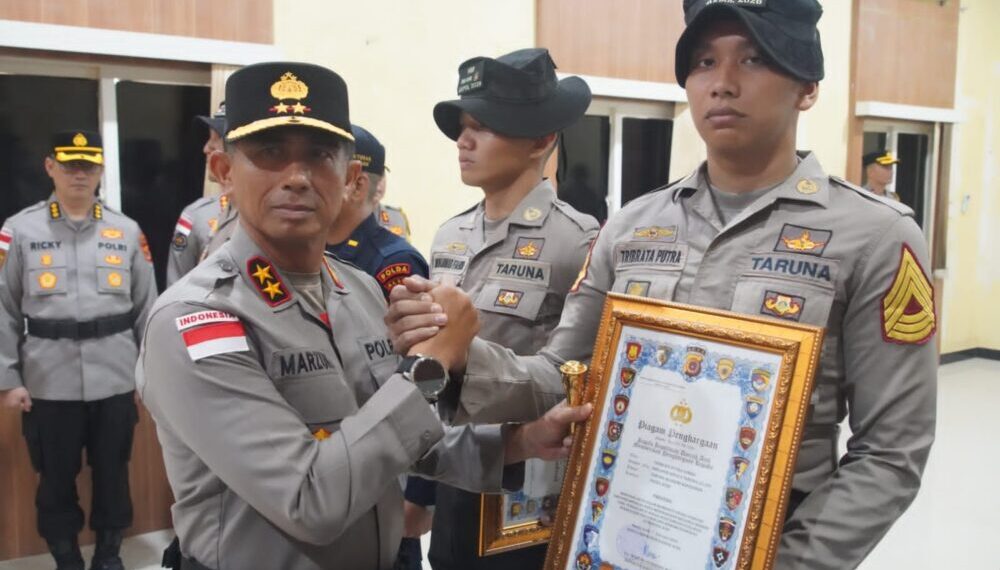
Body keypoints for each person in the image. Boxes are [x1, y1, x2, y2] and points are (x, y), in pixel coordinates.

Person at [387, 2, 938, 568]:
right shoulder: (631, 226)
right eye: (703, 62)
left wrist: (791, 562)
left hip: (774, 539)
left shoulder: (874, 236)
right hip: (617, 530)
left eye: (753, 59)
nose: (722, 84)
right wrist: (459, 353)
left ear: (807, 86)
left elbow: (891, 452)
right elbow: (559, 375)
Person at [136, 61, 589, 570]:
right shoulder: (198, 318)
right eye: (268, 154)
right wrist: (430, 367)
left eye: (319, 156)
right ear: (223, 171)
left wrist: (519, 440)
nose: (297, 178)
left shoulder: (358, 289)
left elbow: (397, 439)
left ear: (351, 178)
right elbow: (309, 499)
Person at [424, 47, 599, 570]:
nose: (465, 140)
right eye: (462, 126)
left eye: (486, 126)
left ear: (542, 140)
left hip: (529, 489)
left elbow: (581, 371)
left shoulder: (577, 241)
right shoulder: (449, 234)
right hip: (455, 470)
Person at [0, 130, 158, 570]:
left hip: (116, 375)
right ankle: (65, 556)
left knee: (113, 472)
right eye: (69, 165)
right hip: (48, 379)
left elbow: (149, 309)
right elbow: (3, 308)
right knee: (54, 479)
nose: (79, 174)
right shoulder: (19, 230)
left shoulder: (126, 231)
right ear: (50, 167)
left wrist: (148, 376)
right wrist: (7, 380)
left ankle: (109, 555)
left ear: (100, 171)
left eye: (88, 166)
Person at [325, 124, 433, 569]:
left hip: (385, 474)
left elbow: (425, 383)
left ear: (356, 183)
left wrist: (422, 494)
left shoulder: (392, 263)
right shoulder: (312, 257)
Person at [166, 101, 232, 286]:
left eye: (216, 138)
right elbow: (176, 286)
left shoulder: (272, 214)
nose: (207, 148)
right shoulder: (196, 215)